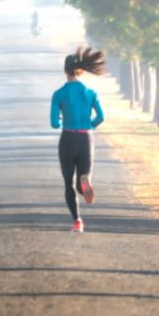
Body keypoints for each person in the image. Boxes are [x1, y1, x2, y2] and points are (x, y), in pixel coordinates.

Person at [50, 46, 106, 232]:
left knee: (68, 184)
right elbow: (100, 117)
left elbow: (54, 123)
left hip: (67, 139)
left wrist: (60, 120)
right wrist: (88, 126)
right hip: (86, 139)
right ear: (80, 69)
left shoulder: (59, 94)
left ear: (65, 70)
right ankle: (85, 182)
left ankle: (77, 222)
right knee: (83, 180)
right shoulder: (91, 92)